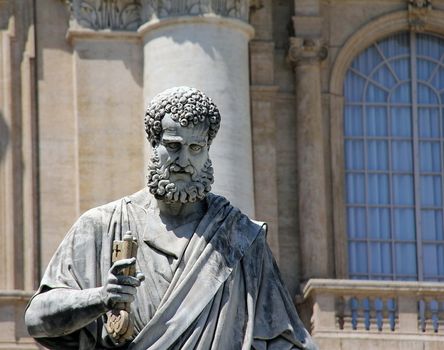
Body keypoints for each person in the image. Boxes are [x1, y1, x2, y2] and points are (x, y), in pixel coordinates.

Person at [25, 86, 317, 350]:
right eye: (173, 146)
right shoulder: (101, 226)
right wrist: (101, 297)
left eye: (196, 148)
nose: (184, 161)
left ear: (207, 151)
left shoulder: (240, 238)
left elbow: (286, 339)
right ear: (154, 145)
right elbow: (37, 318)